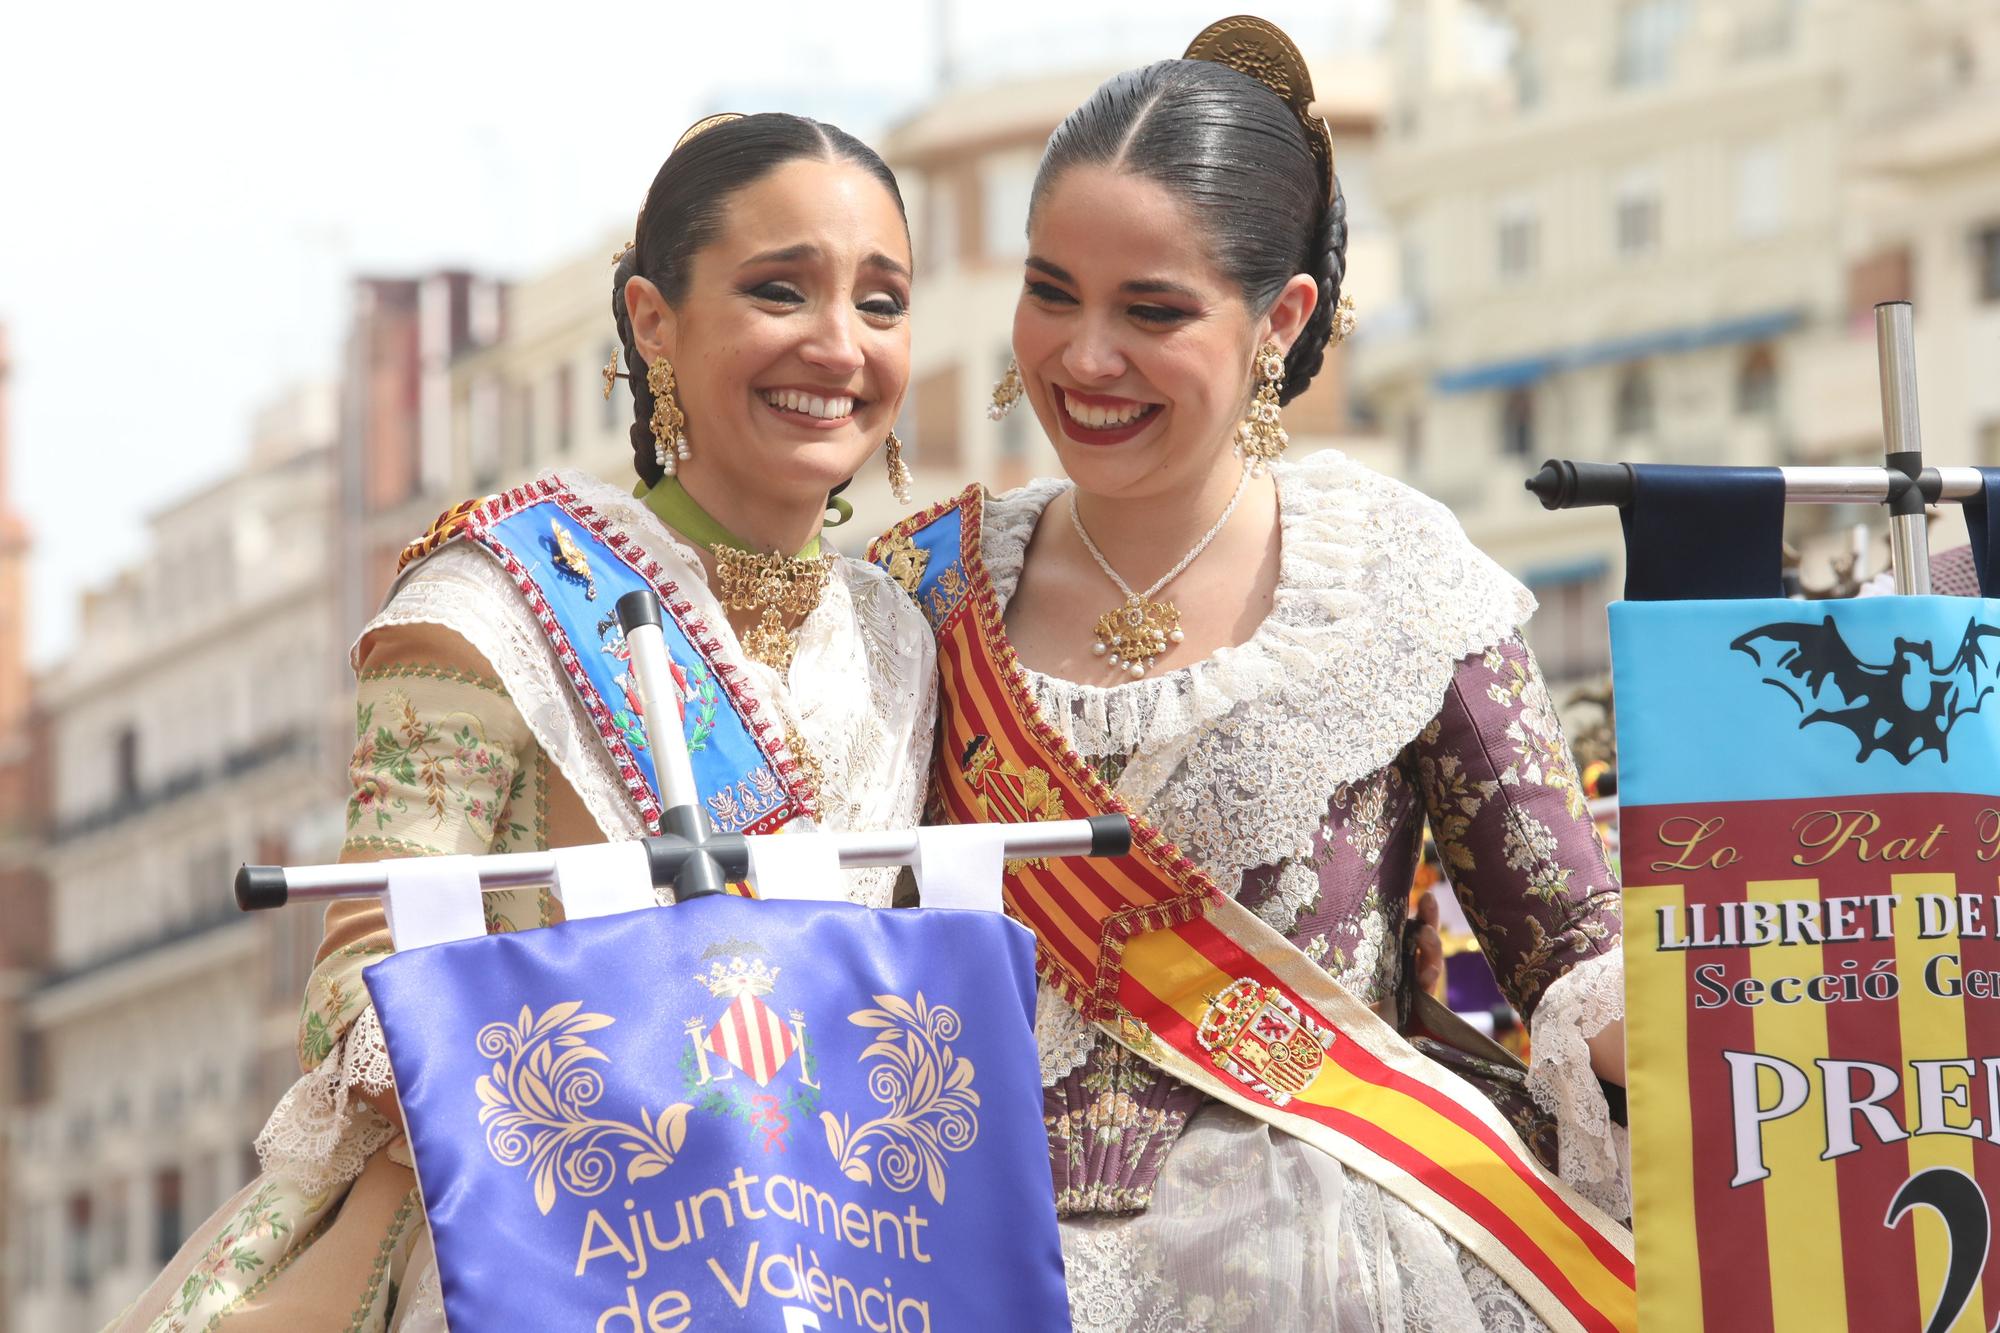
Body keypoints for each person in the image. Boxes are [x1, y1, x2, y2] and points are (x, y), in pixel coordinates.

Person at [112, 112, 935, 1332]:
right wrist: (649, 1074)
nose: (837, 344)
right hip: (552, 1253)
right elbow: (362, 991)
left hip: (833, 1260)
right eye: (778, 290)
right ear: (653, 320)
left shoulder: (898, 635)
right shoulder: (495, 598)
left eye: (881, 302)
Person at [873, 19, 1629, 1331]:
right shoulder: (912, 589)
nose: (1083, 357)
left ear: (1280, 318)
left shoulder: (1389, 576)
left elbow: (1575, 955)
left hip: (1317, 1267)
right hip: (961, 1261)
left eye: (1151, 311)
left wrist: (1807, 1040)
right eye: (1052, 291)